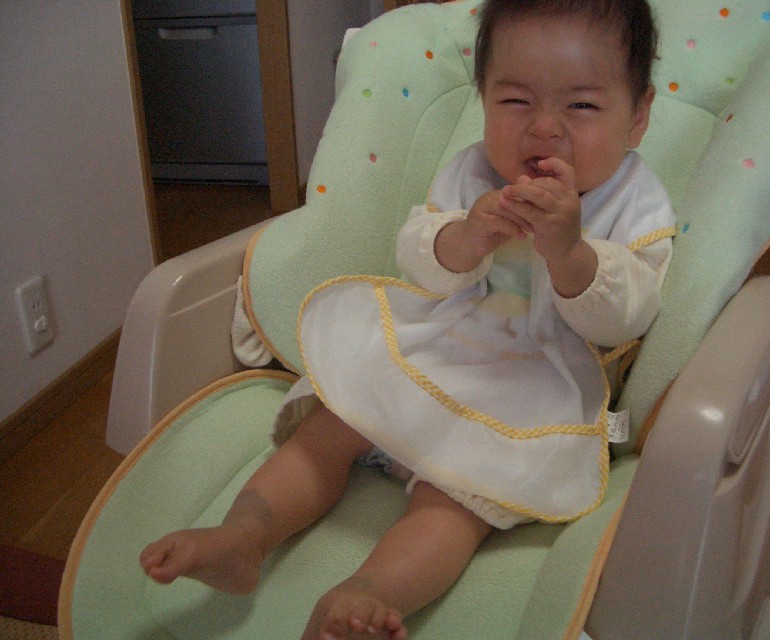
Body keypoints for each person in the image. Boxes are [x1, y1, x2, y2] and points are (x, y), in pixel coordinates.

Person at [140, 0, 676, 638]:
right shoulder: (472, 171)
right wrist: (465, 237)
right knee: (329, 428)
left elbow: (628, 315)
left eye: (582, 105)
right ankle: (242, 537)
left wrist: (570, 253)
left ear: (637, 115)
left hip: (536, 382)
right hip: (441, 347)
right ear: (483, 98)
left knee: (454, 502)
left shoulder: (636, 199)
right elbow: (421, 261)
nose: (544, 129)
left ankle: (368, 594)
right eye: (515, 101)